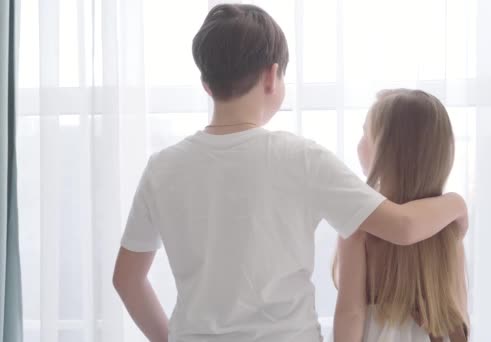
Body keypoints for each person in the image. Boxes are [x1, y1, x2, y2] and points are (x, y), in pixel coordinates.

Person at [112, 5, 468, 342]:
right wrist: (456, 203)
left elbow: (127, 280)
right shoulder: (302, 158)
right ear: (272, 75)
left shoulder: (162, 168)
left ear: (206, 84)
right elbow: (403, 226)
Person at [333, 89, 469, 342]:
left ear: (386, 153)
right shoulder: (448, 227)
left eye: (366, 133)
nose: (359, 143)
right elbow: (458, 311)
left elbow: (351, 313)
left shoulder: (360, 225)